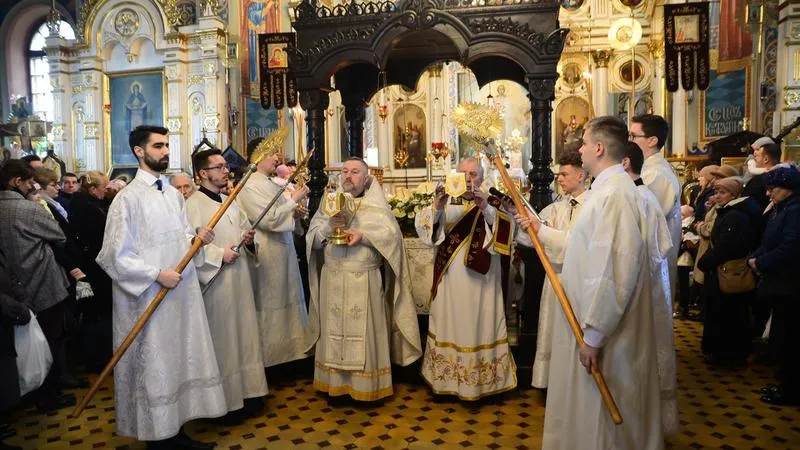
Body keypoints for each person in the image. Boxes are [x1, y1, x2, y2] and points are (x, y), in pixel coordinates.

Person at [518, 116, 663, 449]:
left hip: (605, 329)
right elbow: (580, 248)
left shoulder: (616, 195)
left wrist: (595, 334)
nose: (580, 149)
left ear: (598, 148)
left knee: (605, 413)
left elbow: (616, 268)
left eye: (583, 143)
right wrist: (539, 230)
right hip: (591, 321)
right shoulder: (606, 191)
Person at [96, 125, 225, 449]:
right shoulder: (127, 199)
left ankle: (177, 431)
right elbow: (113, 256)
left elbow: (180, 237)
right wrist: (155, 274)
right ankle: (158, 439)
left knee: (177, 359)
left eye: (167, 145)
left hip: (178, 294)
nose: (165, 151)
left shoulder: (170, 193)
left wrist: (195, 240)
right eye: (158, 146)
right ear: (139, 151)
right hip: (148, 297)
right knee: (155, 365)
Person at [307, 157, 421, 401]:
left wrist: (364, 235)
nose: (348, 175)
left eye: (355, 172)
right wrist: (329, 226)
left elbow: (392, 239)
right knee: (334, 330)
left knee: (365, 332)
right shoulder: (328, 204)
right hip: (334, 279)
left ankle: (367, 387)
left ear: (367, 178)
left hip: (364, 280)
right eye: (345, 171)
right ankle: (335, 385)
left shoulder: (376, 207)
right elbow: (312, 240)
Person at [415, 157, 517, 400]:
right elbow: (427, 234)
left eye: (474, 174)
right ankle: (448, 380)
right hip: (451, 279)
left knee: (480, 323)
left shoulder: (492, 201)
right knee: (451, 321)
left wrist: (486, 209)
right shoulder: (445, 200)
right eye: (464, 173)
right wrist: (437, 208)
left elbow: (507, 235)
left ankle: (484, 384)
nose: (469, 179)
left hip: (483, 280)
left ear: (482, 178)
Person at [186, 149, 268, 421]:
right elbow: (189, 246)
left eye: (225, 166)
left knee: (244, 337)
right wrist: (220, 254)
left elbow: (243, 228)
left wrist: (248, 238)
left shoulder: (229, 200)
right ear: (202, 174)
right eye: (218, 167)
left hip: (240, 279)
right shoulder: (193, 204)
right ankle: (226, 404)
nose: (225, 171)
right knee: (225, 341)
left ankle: (249, 393)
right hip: (217, 285)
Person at [0, 160, 75, 412]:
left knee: (21, 346)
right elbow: (58, 235)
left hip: (11, 286)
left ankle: (26, 395)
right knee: (49, 341)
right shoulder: (28, 209)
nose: (32, 185)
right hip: (42, 283)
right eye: (28, 181)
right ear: (16, 182)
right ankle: (48, 397)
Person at [237, 139, 314, 374]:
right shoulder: (249, 184)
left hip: (284, 250)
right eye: (273, 154)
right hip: (267, 252)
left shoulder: (269, 183)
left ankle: (294, 355)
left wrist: (297, 212)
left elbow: (283, 214)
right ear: (258, 157)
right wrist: (293, 199)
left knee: (289, 299)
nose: (277, 158)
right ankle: (272, 361)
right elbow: (267, 219)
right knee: (271, 303)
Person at [621, 140, 679, 436]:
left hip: (640, 295)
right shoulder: (641, 197)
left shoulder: (638, 200)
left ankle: (640, 427)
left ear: (624, 164)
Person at [517, 150, 588, 389]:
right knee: (553, 333)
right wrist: (525, 224)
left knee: (573, 333)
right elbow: (531, 238)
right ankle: (552, 382)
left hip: (577, 281)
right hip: (554, 278)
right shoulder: (558, 205)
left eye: (564, 174)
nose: (559, 178)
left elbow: (577, 243)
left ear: (581, 175)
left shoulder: (593, 206)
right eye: (558, 174)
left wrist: (540, 229)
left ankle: (574, 383)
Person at [748, 167, 800, 406]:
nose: (768, 194)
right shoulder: (783, 208)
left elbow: (790, 246)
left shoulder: (795, 210)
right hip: (780, 281)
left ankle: (790, 389)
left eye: (773, 189)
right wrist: (756, 256)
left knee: (790, 337)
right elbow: (770, 240)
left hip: (790, 283)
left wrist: (761, 261)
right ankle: (785, 383)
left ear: (788, 188)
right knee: (782, 335)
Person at [697, 176, 761, 367]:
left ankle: (727, 355)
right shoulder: (730, 212)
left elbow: (727, 246)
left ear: (734, 194)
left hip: (728, 271)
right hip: (722, 270)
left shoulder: (735, 215)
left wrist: (706, 261)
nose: (717, 196)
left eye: (722, 192)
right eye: (716, 192)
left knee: (729, 316)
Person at [631, 114, 681, 311]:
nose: (629, 141)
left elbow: (643, 219)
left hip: (652, 259)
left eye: (634, 136)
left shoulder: (656, 174)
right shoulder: (647, 169)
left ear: (652, 141)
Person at [69, 171, 113, 372]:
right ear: (94, 189)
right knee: (97, 313)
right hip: (93, 268)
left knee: (93, 312)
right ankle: (99, 359)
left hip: (90, 265)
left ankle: (97, 357)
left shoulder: (85, 203)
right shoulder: (87, 207)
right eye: (103, 188)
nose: (106, 191)